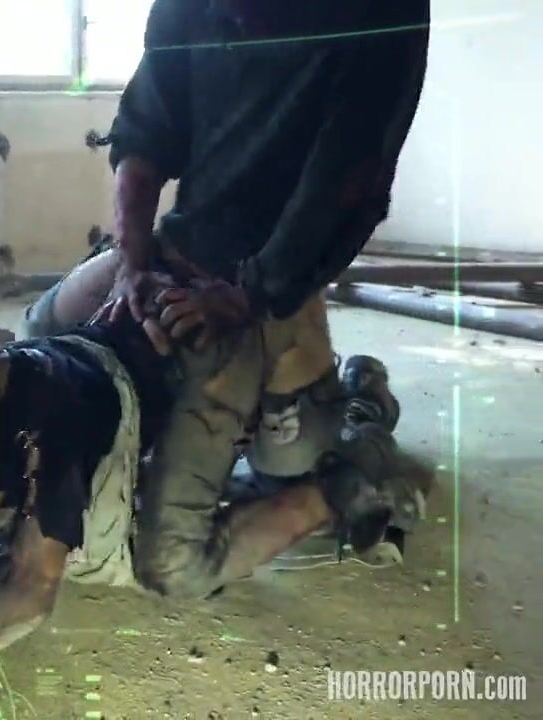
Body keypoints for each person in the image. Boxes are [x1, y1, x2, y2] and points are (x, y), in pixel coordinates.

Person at [0, 235, 412, 718]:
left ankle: (358, 453)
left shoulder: (43, 419)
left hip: (194, 370)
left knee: (178, 563)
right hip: (97, 347)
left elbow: (32, 591)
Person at [22, 0, 430, 596]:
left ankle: (360, 413)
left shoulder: (378, 12)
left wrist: (249, 297)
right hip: (183, 246)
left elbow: (347, 180)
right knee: (42, 339)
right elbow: (145, 133)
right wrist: (133, 266)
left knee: (283, 476)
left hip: (279, 279)